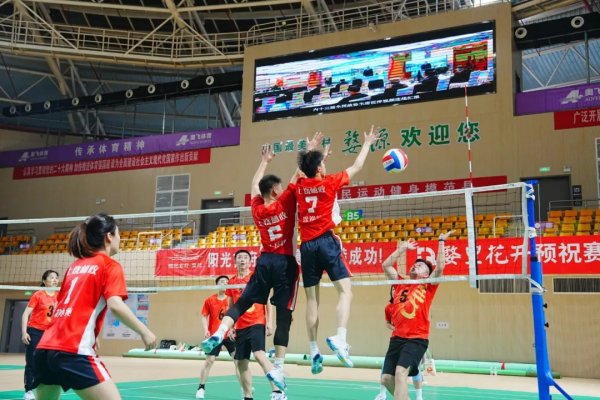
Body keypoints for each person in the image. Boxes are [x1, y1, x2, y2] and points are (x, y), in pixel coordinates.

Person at [203, 135, 322, 388]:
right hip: (285, 263)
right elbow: (299, 173)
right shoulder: (285, 202)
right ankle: (278, 367)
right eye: (280, 186)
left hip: (264, 261)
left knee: (243, 302)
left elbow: (254, 184)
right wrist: (309, 149)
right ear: (276, 190)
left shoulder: (257, 209)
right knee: (284, 316)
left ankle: (219, 332)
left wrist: (264, 161)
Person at [32, 213, 157, 400]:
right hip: (73, 350)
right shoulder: (110, 266)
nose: (120, 239)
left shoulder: (74, 267)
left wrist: (92, 333)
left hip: (44, 349)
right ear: (109, 237)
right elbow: (115, 305)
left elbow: (62, 305)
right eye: (118, 234)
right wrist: (144, 332)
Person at [295, 126, 380, 373]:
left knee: (312, 301)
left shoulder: (299, 185)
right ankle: (340, 338)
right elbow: (357, 166)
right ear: (320, 169)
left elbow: (302, 170)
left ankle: (313, 350)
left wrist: (311, 151)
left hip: (306, 246)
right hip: (325, 242)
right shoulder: (330, 183)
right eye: (323, 163)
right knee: (346, 291)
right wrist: (367, 143)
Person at [379, 230, 455, 400]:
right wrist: (403, 248)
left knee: (401, 373)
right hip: (397, 338)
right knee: (386, 379)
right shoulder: (400, 283)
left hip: (416, 339)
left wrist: (441, 241)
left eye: (420, 266)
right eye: (415, 264)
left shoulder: (428, 285)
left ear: (426, 274)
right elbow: (386, 265)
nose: (415, 266)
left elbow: (440, 268)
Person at [224, 250, 286, 400]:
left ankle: (278, 391)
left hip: (257, 322)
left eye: (245, 257)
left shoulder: (256, 277)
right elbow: (231, 306)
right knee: (241, 362)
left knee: (259, 354)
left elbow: (267, 301)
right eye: (239, 257)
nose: (242, 260)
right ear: (235, 261)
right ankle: (248, 396)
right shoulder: (232, 282)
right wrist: (231, 327)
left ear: (250, 261)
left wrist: (269, 322)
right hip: (240, 326)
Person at [374, 289, 425, 400]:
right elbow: (388, 323)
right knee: (386, 377)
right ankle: (382, 394)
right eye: (393, 289)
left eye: (396, 289)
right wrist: (395, 328)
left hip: (413, 340)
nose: (394, 291)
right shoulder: (389, 308)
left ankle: (419, 397)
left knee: (404, 372)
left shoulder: (409, 303)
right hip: (396, 341)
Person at [196, 275, 237, 399]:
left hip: (229, 335)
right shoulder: (210, 300)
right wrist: (206, 330)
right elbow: (204, 316)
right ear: (217, 284)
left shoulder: (232, 300)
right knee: (209, 361)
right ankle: (201, 388)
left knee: (238, 361)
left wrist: (234, 329)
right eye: (222, 281)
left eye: (227, 282)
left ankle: (245, 388)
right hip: (215, 336)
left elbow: (237, 316)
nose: (225, 283)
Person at [21, 270, 59, 400]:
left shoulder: (59, 296)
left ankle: (44, 389)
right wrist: (24, 332)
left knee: (50, 362)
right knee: (31, 362)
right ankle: (29, 390)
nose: (55, 279)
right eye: (51, 277)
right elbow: (25, 314)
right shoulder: (38, 294)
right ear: (44, 281)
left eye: (56, 278)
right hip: (35, 331)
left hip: (50, 334)